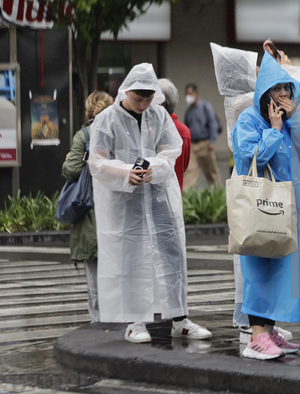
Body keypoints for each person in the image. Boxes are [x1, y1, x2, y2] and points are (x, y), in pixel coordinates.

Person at [88, 63, 212, 343]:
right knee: (131, 261)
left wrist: (152, 170)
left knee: (172, 257)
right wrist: (124, 173)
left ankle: (180, 318)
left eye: (148, 98)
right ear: (126, 91)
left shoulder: (159, 116)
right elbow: (96, 161)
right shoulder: (107, 119)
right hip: (125, 205)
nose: (143, 105)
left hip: (159, 200)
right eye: (138, 99)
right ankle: (135, 322)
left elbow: (171, 152)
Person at [231, 52, 300, 360]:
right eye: (278, 90)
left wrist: (295, 118)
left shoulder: (291, 119)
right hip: (262, 208)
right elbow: (250, 158)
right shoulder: (249, 119)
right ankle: (256, 338)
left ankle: (269, 331)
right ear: (265, 93)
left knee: (282, 269)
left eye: (288, 90)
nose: (285, 95)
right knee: (262, 267)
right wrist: (274, 131)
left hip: (289, 208)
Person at [210, 40, 300, 345]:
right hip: (257, 191)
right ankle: (255, 332)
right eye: (255, 69)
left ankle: (265, 330)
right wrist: (285, 69)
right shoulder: (246, 108)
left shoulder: (259, 105)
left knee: (273, 262)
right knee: (256, 264)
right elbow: (253, 151)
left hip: (272, 192)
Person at [62, 90, 114, 323]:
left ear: (88, 111)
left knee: (93, 270)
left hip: (90, 208)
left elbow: (71, 170)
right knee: (116, 266)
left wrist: (69, 161)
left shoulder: (84, 135)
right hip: (116, 206)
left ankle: (99, 318)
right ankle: (121, 314)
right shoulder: (119, 131)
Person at [183, 83, 222, 188]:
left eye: (190, 94)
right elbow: (186, 129)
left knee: (211, 172)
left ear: (196, 93)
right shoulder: (189, 111)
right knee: (189, 172)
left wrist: (212, 141)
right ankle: (185, 197)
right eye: (186, 94)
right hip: (192, 146)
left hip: (205, 144)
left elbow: (212, 123)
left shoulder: (205, 106)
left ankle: (218, 194)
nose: (188, 97)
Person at [157, 78, 191, 192]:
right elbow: (184, 167)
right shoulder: (184, 131)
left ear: (159, 102)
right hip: (175, 195)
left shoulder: (153, 129)